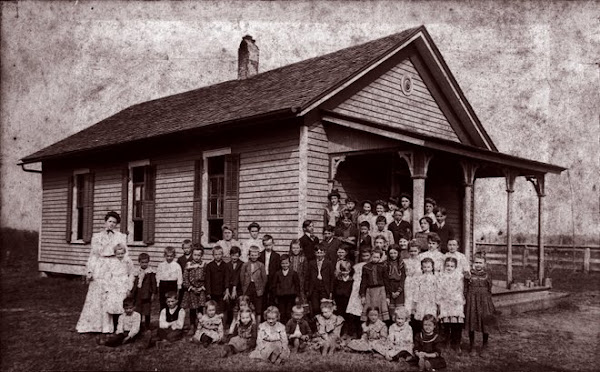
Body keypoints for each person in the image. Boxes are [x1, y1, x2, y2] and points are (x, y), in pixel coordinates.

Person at [77, 211, 129, 335]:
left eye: (114, 223)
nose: (111, 224)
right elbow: (93, 255)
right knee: (96, 295)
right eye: (110, 221)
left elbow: (125, 254)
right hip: (100, 266)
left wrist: (125, 270)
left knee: (111, 295)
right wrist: (90, 270)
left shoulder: (121, 236)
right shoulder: (97, 237)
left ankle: (110, 327)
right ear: (105, 222)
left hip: (114, 265)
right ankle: (93, 326)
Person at [465, 254, 496, 357]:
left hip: (484, 300)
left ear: (484, 264)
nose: (478, 265)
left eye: (480, 263)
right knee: (472, 322)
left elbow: (489, 288)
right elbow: (465, 289)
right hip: (472, 300)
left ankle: (485, 346)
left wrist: (487, 300)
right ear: (472, 263)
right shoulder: (469, 274)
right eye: (476, 262)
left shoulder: (487, 274)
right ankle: (472, 345)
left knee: (485, 322)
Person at [103, 243, 135, 335]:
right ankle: (114, 326)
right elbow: (108, 275)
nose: (120, 255)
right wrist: (107, 288)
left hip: (123, 284)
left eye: (122, 253)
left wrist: (129, 288)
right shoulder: (112, 262)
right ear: (115, 254)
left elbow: (131, 274)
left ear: (124, 253)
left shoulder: (128, 261)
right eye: (118, 254)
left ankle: (124, 327)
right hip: (114, 285)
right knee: (114, 306)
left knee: (122, 305)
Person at [438, 257, 465, 353]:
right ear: (444, 266)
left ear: (455, 267)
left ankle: (456, 343)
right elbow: (439, 288)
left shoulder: (459, 276)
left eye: (452, 266)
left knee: (456, 323)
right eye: (447, 266)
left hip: (455, 300)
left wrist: (456, 297)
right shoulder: (441, 276)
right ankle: (447, 341)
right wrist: (442, 297)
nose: (449, 268)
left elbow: (460, 289)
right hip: (445, 300)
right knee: (446, 323)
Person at [181, 246, 207, 336]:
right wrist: (191, 287)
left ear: (202, 255)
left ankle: (201, 325)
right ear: (192, 254)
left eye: (199, 255)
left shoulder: (204, 265)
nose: (197, 257)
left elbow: (207, 277)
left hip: (201, 289)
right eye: (195, 255)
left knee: (200, 308)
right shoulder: (188, 265)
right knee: (192, 309)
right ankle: (192, 325)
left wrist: (202, 287)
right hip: (191, 290)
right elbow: (185, 278)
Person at [360, 248, 390, 322]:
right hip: (370, 291)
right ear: (371, 256)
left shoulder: (383, 267)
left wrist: (388, 296)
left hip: (381, 290)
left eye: (377, 257)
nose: (375, 259)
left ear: (380, 258)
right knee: (370, 308)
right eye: (374, 257)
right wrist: (363, 295)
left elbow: (386, 281)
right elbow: (363, 281)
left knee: (380, 309)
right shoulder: (366, 267)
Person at [305, 245, 335, 318]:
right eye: (317, 252)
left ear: (324, 253)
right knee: (315, 307)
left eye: (321, 252)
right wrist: (307, 290)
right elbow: (307, 277)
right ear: (315, 253)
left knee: (324, 307)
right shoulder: (311, 263)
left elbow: (332, 278)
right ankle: (316, 324)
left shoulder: (329, 263)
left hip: (324, 288)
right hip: (314, 288)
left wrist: (331, 291)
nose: (319, 254)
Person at [346, 248, 370, 338]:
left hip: (366, 288)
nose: (365, 257)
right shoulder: (357, 266)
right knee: (354, 310)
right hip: (356, 288)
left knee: (363, 311)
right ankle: (353, 332)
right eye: (363, 256)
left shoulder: (370, 265)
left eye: (367, 255)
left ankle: (363, 332)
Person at [240, 245, 267, 324]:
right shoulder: (245, 265)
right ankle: (248, 324)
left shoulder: (261, 265)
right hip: (248, 287)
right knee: (247, 307)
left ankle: (257, 326)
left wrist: (261, 288)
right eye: (252, 255)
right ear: (249, 255)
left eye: (255, 255)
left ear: (258, 255)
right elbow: (242, 278)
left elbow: (264, 278)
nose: (254, 257)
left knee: (258, 309)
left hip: (258, 288)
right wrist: (244, 287)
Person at [271, 254, 300, 325]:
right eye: (283, 263)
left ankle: (289, 327)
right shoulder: (277, 273)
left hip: (291, 296)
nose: (285, 265)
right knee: (282, 312)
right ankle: (282, 326)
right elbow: (274, 286)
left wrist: (297, 296)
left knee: (289, 312)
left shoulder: (293, 273)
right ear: (280, 264)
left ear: (289, 263)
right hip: (281, 297)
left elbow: (297, 285)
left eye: (286, 263)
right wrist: (275, 296)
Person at [206, 246, 231, 325]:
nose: (218, 256)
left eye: (219, 254)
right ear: (213, 255)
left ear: (222, 254)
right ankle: (213, 324)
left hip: (222, 292)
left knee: (222, 309)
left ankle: (222, 325)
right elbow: (208, 280)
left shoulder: (225, 265)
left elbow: (227, 278)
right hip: (213, 292)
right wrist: (208, 292)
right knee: (213, 308)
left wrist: (226, 290)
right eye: (216, 254)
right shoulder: (209, 265)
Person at [132, 253, 156, 330]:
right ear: (139, 262)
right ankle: (138, 325)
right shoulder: (137, 271)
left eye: (146, 262)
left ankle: (147, 325)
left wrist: (153, 293)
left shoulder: (150, 272)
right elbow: (135, 282)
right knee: (138, 309)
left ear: (148, 262)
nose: (144, 264)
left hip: (147, 294)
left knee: (147, 310)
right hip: (138, 293)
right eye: (142, 262)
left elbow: (153, 283)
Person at [414, 258, 438, 334]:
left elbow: (438, 290)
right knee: (421, 318)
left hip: (431, 300)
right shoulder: (419, 278)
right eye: (424, 267)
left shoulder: (435, 278)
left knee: (430, 317)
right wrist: (415, 302)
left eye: (428, 267)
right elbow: (416, 290)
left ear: (432, 267)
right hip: (422, 300)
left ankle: (431, 336)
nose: (426, 269)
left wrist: (437, 302)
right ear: (422, 267)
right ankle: (422, 336)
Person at [404, 241, 422, 335]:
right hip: (408, 284)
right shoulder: (405, 261)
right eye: (411, 251)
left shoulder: (421, 261)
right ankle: (406, 331)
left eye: (415, 251)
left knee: (417, 306)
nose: (413, 253)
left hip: (418, 285)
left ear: (419, 251)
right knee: (408, 305)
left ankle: (417, 333)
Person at [156, 246, 183, 310]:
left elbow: (179, 276)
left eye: (171, 256)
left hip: (172, 284)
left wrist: (179, 286)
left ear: (174, 256)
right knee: (163, 301)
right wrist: (158, 284)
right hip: (163, 284)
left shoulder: (176, 265)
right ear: (164, 255)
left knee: (172, 301)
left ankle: (172, 316)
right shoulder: (161, 265)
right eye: (167, 256)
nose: (169, 258)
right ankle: (163, 316)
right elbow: (158, 275)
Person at [385, 244, 406, 321]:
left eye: (395, 253)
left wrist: (398, 291)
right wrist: (391, 292)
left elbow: (403, 277)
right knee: (391, 310)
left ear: (398, 253)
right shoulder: (386, 264)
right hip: (390, 286)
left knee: (399, 310)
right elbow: (386, 279)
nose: (393, 255)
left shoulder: (401, 264)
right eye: (391, 253)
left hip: (399, 287)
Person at [333, 260, 353, 337]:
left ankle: (349, 333)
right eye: (343, 271)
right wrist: (334, 301)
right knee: (340, 317)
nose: (344, 273)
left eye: (346, 271)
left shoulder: (351, 280)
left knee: (349, 317)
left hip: (348, 301)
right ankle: (340, 332)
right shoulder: (337, 280)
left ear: (350, 270)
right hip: (339, 301)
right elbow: (334, 291)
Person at [259, 235, 281, 307]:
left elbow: (278, 269)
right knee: (263, 298)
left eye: (270, 245)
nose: (268, 247)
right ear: (263, 245)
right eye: (266, 245)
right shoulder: (260, 255)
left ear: (273, 244)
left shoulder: (276, 256)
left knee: (272, 298)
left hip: (272, 279)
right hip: (263, 278)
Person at [288, 239, 308, 313]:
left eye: (297, 248)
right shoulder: (289, 258)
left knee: (301, 298)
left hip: (300, 282)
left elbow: (305, 273)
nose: (295, 250)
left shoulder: (303, 259)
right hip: (291, 282)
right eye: (293, 248)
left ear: (300, 248)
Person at [226, 245, 243, 326]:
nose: (234, 257)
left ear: (239, 255)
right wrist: (226, 290)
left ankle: (238, 322)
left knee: (238, 305)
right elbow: (225, 278)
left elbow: (239, 276)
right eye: (233, 255)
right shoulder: (227, 265)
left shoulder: (242, 264)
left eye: (236, 255)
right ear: (230, 255)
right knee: (229, 306)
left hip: (239, 288)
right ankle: (229, 323)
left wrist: (235, 289)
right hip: (229, 288)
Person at [177, 240, 194, 305]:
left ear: (191, 248)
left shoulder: (193, 258)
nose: (186, 250)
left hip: (192, 281)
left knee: (192, 299)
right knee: (181, 298)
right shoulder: (180, 259)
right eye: (185, 248)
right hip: (183, 281)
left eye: (188, 248)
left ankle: (192, 314)